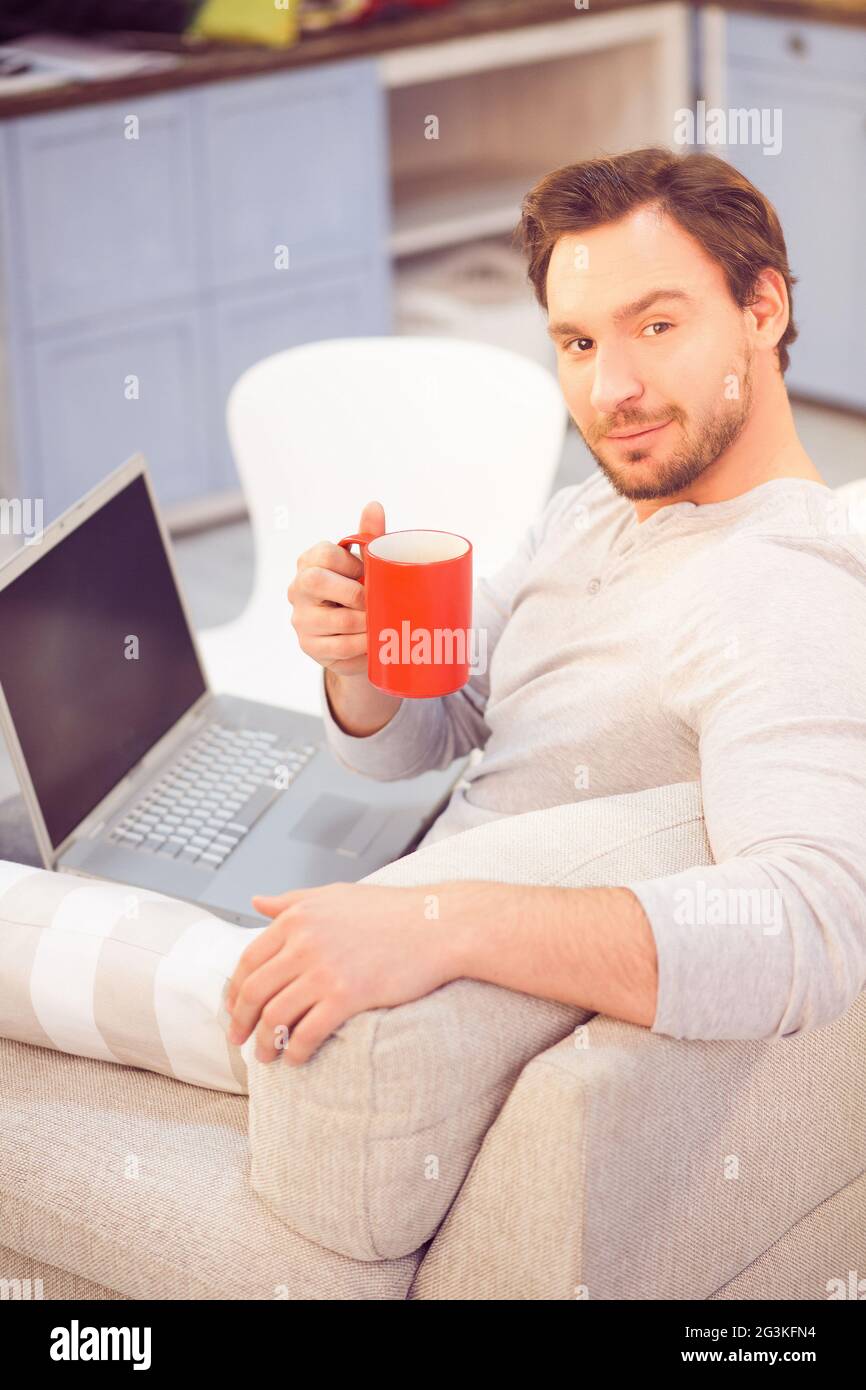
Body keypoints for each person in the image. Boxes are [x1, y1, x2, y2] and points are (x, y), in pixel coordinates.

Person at [227, 147, 866, 1067]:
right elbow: (438, 730)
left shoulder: (785, 587)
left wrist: (439, 922)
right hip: (380, 915)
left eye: (655, 326)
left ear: (761, 310)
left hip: (398, 1001)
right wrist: (360, 662)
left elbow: (808, 931)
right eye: (579, 343)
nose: (611, 392)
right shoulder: (592, 511)